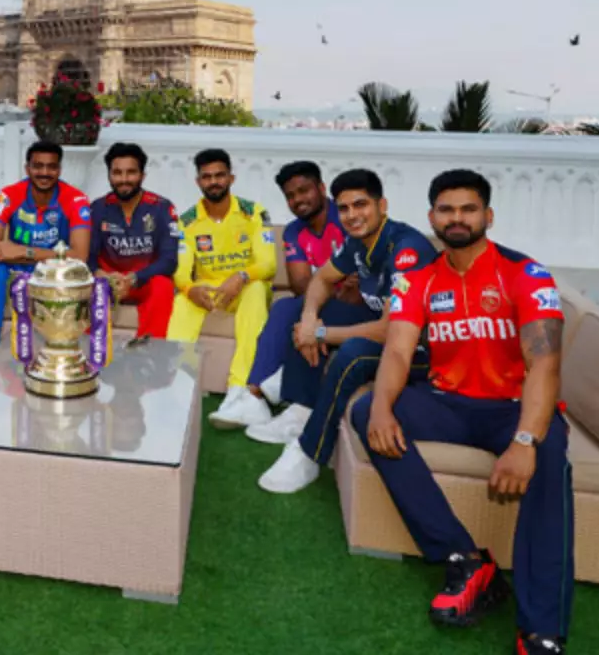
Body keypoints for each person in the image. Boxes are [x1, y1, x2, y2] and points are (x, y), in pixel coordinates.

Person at [352, 169, 572, 655]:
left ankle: (541, 631)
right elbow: (397, 351)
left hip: (513, 409)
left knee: (549, 455)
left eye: (468, 209)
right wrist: (383, 409)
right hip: (449, 403)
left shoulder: (526, 273)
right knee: (367, 411)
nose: (457, 218)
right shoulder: (419, 279)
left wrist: (525, 441)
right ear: (432, 217)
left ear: (487, 216)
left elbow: (545, 364)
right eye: (446, 210)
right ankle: (464, 558)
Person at [253, 168, 436, 494]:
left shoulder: (406, 248)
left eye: (361, 205)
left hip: (419, 349)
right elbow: (321, 279)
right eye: (344, 208)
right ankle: (301, 408)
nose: (352, 215)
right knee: (305, 309)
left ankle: (310, 452)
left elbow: (391, 331)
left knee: (352, 352)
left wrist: (319, 335)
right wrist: (309, 318)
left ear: (382, 205)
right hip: (386, 331)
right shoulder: (358, 243)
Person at [166, 148, 277, 429]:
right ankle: (179, 387)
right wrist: (189, 289)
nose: (213, 182)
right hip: (211, 291)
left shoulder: (254, 213)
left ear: (231, 178)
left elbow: (268, 264)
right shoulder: (187, 221)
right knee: (181, 302)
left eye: (219, 175)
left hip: (246, 286)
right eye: (207, 177)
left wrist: (241, 276)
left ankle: (239, 390)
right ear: (198, 182)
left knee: (256, 291)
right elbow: (181, 270)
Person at [247, 160, 353, 403]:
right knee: (286, 306)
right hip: (320, 301)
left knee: (293, 310)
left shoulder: (346, 217)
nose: (298, 200)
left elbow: (358, 280)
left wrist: (325, 293)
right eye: (290, 196)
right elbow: (299, 284)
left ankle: (265, 389)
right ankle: (257, 390)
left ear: (321, 188)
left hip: (357, 303)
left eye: (304, 191)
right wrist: (325, 295)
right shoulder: (293, 231)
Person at [0, 141, 92, 354]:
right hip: (18, 269)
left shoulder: (75, 199)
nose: (44, 173)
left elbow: (79, 256)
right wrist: (23, 255)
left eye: (51, 167)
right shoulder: (9, 195)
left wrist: (24, 251)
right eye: (38, 166)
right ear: (27, 168)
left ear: (59, 169)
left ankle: (62, 351)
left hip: (55, 272)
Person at [88, 142, 179, 339]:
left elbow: (169, 261)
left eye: (131, 172)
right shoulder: (98, 208)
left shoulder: (161, 207)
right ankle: (92, 351)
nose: (124, 179)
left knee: (163, 285)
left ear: (142, 175)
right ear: (109, 175)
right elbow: (89, 257)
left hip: (143, 281)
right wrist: (102, 275)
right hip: (109, 282)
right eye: (117, 173)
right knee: (92, 285)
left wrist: (133, 279)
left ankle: (150, 351)